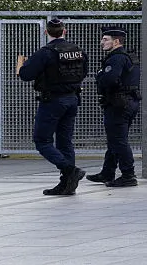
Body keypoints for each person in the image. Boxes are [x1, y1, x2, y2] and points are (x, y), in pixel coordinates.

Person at [16, 17, 88, 195]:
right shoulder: (78, 51)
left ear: (46, 32)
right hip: (72, 99)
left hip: (52, 101)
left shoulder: (46, 52)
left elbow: (25, 74)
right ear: (65, 31)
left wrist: (21, 65)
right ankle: (67, 184)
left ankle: (70, 170)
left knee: (42, 141)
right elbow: (84, 72)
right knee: (65, 142)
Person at [86, 28, 141, 187]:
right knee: (114, 140)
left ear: (116, 41)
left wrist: (100, 75)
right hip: (127, 102)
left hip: (118, 104)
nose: (102, 42)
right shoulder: (127, 57)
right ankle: (107, 172)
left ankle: (128, 175)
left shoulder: (116, 58)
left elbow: (109, 80)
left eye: (105, 39)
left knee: (119, 140)